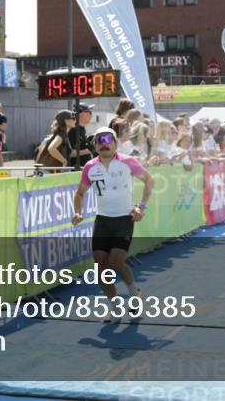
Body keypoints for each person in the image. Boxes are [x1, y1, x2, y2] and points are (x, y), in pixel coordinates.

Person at [71, 127, 155, 323]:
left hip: (124, 219)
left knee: (117, 263)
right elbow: (80, 193)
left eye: (108, 139)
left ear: (115, 143)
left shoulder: (127, 162)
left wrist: (141, 207)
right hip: (102, 221)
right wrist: (77, 211)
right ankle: (115, 306)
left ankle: (134, 292)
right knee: (100, 270)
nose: (103, 142)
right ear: (95, 146)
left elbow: (149, 180)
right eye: (99, 140)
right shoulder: (90, 167)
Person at [69, 103, 96, 168]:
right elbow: (69, 153)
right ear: (80, 113)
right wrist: (88, 151)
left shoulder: (82, 128)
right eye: (89, 112)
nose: (91, 114)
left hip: (83, 169)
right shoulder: (73, 129)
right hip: (74, 171)